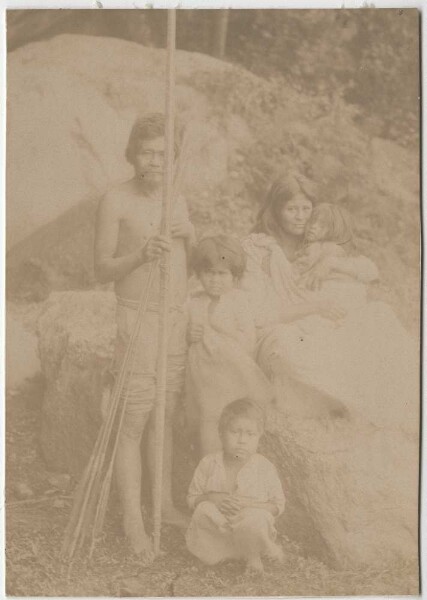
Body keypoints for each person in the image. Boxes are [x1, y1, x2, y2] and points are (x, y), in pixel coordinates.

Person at [240, 175, 418, 433]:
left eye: (306, 209)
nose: (301, 217)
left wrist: (332, 263)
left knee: (379, 315)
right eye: (291, 209)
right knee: (289, 349)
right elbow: (258, 313)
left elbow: (370, 270)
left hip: (323, 324)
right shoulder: (257, 248)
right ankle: (351, 404)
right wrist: (315, 307)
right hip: (282, 328)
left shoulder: (317, 238)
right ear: (276, 210)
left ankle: (403, 403)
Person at [94, 113, 195, 555]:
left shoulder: (178, 198)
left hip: (174, 318)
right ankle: (134, 522)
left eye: (163, 154)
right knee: (132, 422)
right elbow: (100, 268)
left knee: (165, 416)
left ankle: (165, 503)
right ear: (133, 155)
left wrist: (190, 231)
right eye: (147, 152)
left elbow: (191, 258)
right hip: (137, 320)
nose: (156, 162)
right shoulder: (116, 200)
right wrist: (140, 254)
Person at [186, 235, 273, 456]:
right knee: (207, 418)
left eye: (222, 274)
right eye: (209, 273)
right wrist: (189, 334)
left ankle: (235, 469)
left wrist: (222, 329)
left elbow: (248, 342)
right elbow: (181, 337)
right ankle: (210, 467)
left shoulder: (238, 301)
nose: (215, 280)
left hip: (234, 375)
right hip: (203, 379)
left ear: (235, 277)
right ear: (199, 275)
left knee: (236, 421)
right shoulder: (194, 302)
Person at [185, 399, 285, 573]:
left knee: (258, 518)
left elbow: (277, 505)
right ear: (221, 434)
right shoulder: (209, 463)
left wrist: (248, 506)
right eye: (235, 432)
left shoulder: (264, 467)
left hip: (249, 530)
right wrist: (212, 498)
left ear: (259, 436)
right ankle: (213, 553)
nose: (242, 440)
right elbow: (192, 499)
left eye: (250, 434)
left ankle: (252, 557)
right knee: (203, 510)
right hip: (219, 528)